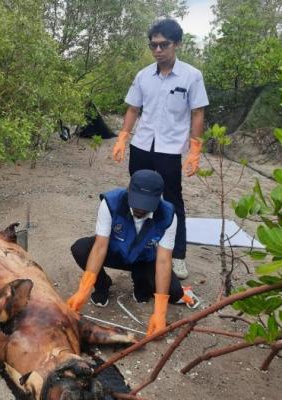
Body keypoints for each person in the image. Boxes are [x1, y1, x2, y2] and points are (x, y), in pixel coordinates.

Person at [111, 18, 209, 280]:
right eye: (153, 45)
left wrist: (195, 148)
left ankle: (177, 256)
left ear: (176, 44)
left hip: (169, 149)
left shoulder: (191, 76)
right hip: (142, 145)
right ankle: (140, 247)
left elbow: (197, 112)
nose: (157, 50)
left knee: (173, 201)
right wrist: (122, 137)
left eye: (163, 44)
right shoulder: (143, 75)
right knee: (138, 198)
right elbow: (133, 108)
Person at [66, 170, 199, 337]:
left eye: (146, 204)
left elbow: (164, 261)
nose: (140, 208)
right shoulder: (111, 202)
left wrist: (160, 313)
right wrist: (83, 289)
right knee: (81, 248)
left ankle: (141, 285)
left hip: (145, 259)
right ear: (128, 190)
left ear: (158, 199)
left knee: (174, 293)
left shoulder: (168, 215)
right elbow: (100, 246)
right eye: (137, 202)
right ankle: (102, 285)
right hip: (115, 252)